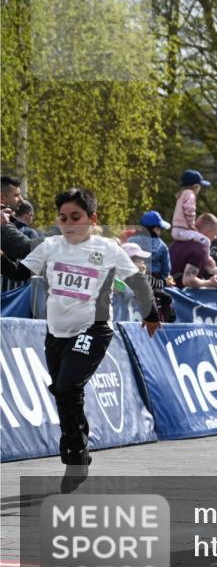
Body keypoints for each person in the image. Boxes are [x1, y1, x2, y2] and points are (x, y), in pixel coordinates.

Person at [0, 189, 159, 492]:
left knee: (66, 387)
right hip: (56, 332)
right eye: (63, 218)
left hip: (94, 329)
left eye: (76, 218)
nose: (69, 224)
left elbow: (137, 281)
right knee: (64, 393)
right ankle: (79, 452)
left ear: (92, 219)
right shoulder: (50, 246)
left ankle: (73, 456)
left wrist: (151, 313)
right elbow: (19, 273)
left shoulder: (108, 249)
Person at [169, 214, 217, 289]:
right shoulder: (200, 249)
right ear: (207, 231)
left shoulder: (178, 242)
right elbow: (188, 281)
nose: (215, 238)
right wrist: (209, 283)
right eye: (215, 234)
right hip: (179, 297)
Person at [171, 169, 212, 252]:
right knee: (206, 241)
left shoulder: (182, 194)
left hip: (176, 230)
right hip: (182, 231)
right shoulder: (190, 194)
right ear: (196, 186)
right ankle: (207, 260)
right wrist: (192, 225)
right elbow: (189, 210)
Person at [132, 211, 173, 284]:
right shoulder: (162, 245)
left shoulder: (131, 241)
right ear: (156, 229)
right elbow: (166, 270)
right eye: (160, 229)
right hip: (155, 280)